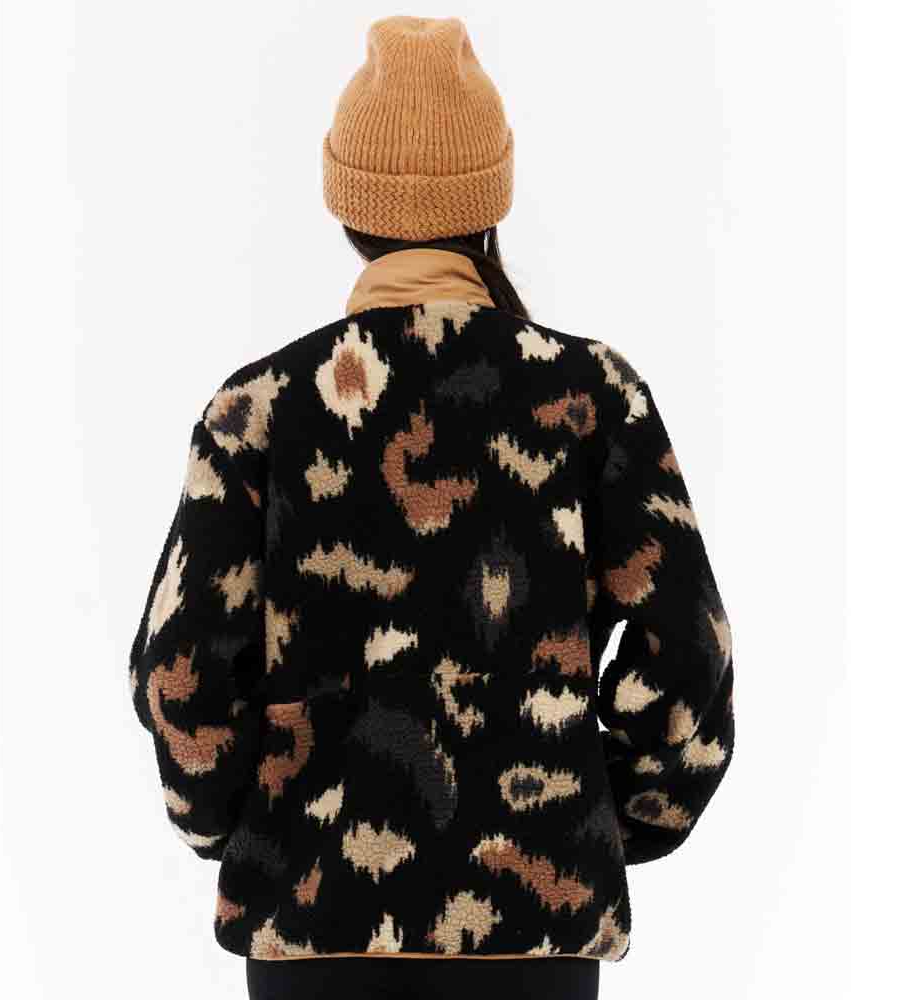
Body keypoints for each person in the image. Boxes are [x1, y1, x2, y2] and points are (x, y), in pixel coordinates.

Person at [127, 15, 735, 1000]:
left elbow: (179, 669)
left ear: (345, 201)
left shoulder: (260, 409)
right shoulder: (591, 396)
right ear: (492, 198)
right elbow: (690, 648)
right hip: (534, 939)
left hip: (314, 939)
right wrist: (598, 819)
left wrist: (243, 824)